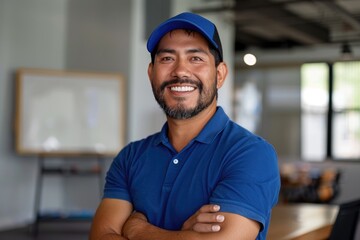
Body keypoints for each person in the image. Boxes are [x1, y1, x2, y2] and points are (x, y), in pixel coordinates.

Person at [90, 12, 280, 240]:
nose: (180, 71)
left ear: (219, 75)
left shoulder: (250, 153)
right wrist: (185, 235)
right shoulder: (130, 157)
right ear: (151, 74)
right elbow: (102, 235)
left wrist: (138, 230)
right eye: (167, 59)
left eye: (196, 58)